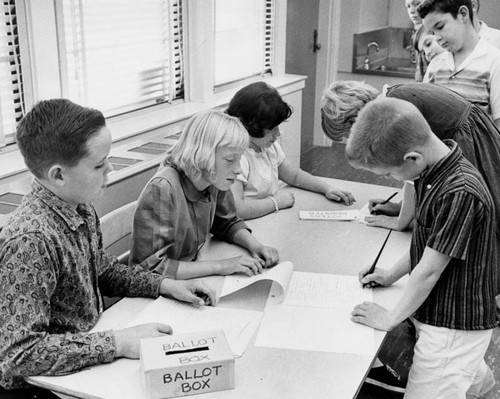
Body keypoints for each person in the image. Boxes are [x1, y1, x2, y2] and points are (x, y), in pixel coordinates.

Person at [0, 99, 217, 396]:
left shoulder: (79, 207)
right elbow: (20, 354)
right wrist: (119, 342)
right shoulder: (30, 240)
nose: (110, 169)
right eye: (100, 165)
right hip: (40, 387)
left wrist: (165, 284)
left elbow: (103, 269)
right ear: (58, 175)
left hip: (86, 351)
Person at [348, 97, 498, 398]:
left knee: (436, 378)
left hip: (453, 321)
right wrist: (391, 274)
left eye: (390, 174)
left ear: (413, 158)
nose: (391, 180)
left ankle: (474, 383)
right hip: (437, 308)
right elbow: (428, 243)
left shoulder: (459, 192)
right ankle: (478, 384)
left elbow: (429, 271)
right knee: (459, 370)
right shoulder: (431, 173)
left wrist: (391, 319)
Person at [321, 80, 500, 234]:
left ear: (356, 119)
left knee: (476, 219)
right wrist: (401, 207)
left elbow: (413, 173)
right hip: (468, 133)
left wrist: (400, 221)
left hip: (469, 140)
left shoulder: (394, 106)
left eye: (349, 134)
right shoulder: (393, 97)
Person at [130, 109, 279, 278]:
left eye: (239, 159)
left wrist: (256, 246)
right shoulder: (162, 190)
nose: (238, 169)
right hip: (158, 292)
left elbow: (227, 222)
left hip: (191, 270)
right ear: (203, 155)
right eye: (230, 160)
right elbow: (151, 269)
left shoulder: (212, 176)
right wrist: (221, 266)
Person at [225, 81, 355, 220]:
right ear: (251, 126)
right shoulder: (237, 157)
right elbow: (238, 209)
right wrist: (276, 203)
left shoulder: (268, 147)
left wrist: (327, 189)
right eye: (272, 128)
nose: (278, 134)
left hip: (270, 218)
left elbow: (294, 176)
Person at [419, 0, 500, 127]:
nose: (437, 38)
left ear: (463, 14)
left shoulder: (494, 62)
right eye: (432, 32)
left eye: (440, 27)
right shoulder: (435, 66)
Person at [404, 0, 429, 81]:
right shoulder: (418, 33)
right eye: (408, 6)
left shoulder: (432, 34)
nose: (411, 11)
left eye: (417, 4)